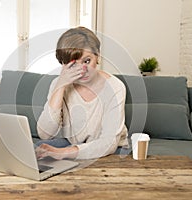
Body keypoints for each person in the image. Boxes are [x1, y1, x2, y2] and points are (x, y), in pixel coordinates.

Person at [35, 26, 128, 160]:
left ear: (97, 57)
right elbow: (45, 134)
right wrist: (60, 86)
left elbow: (108, 143)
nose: (82, 70)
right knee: (37, 149)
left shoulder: (115, 87)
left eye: (87, 61)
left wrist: (62, 153)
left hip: (111, 149)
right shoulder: (59, 83)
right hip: (74, 143)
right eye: (73, 65)